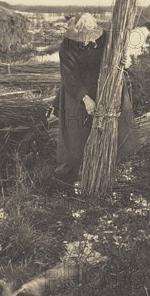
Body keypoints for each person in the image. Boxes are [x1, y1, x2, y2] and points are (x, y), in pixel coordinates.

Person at [53, 14, 141, 183]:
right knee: (75, 122)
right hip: (77, 85)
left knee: (112, 119)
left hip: (106, 83)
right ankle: (73, 161)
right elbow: (69, 75)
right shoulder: (67, 45)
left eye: (87, 38)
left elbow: (122, 59)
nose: (84, 42)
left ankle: (111, 157)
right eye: (80, 39)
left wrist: (125, 62)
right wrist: (85, 98)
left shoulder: (107, 39)